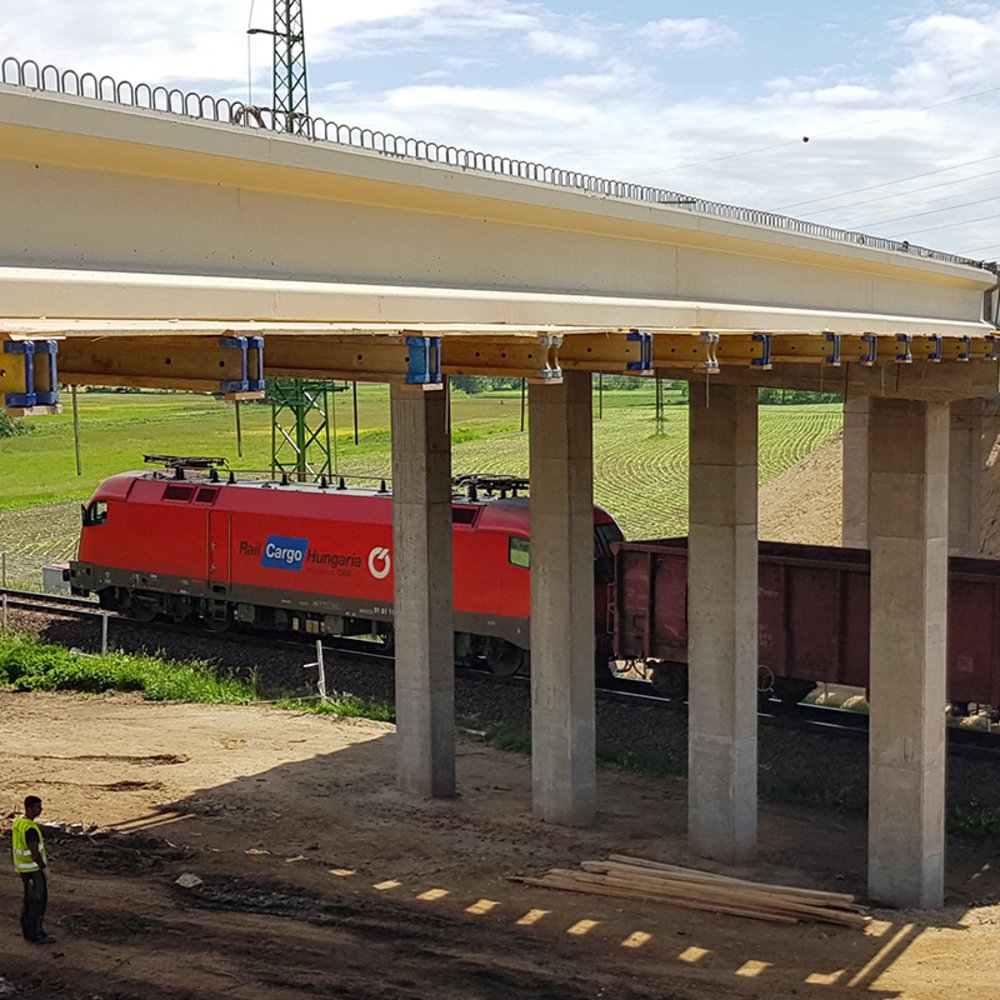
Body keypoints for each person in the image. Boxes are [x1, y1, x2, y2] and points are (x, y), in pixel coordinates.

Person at [12, 795, 55, 945]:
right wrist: (44, 868)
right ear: (29, 808)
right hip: (34, 871)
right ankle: (36, 935)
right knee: (37, 903)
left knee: (28, 902)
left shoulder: (19, 823)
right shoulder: (30, 829)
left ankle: (28, 932)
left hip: (23, 869)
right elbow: (34, 853)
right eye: (38, 807)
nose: (40, 809)